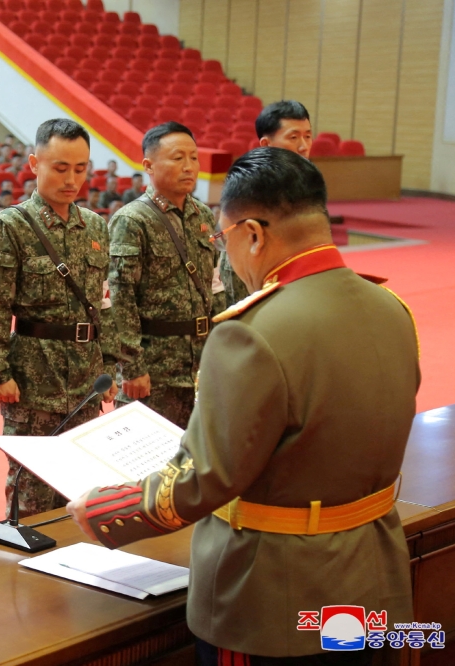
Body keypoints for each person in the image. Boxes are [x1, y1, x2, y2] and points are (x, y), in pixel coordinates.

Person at [68, 147, 418, 665]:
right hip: (370, 579)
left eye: (223, 239)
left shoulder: (251, 334)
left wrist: (103, 510)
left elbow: (207, 477)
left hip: (274, 592)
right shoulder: (392, 309)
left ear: (252, 234)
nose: (224, 255)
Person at [0, 118, 119, 519]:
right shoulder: (12, 225)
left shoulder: (95, 226)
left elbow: (102, 304)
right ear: (34, 163)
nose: (72, 179)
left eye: (80, 168)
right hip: (33, 379)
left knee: (82, 490)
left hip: (86, 380)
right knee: (33, 494)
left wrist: (109, 367)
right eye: (60, 167)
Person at [107, 122, 218, 429]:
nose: (189, 167)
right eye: (177, 158)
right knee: (148, 468)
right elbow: (120, 299)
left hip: (199, 366)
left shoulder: (203, 216)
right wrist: (132, 366)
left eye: (193, 158)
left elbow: (215, 286)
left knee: (195, 465)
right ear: (149, 165)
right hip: (154, 369)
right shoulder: (132, 220)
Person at [220, 100, 316, 308]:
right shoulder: (248, 183)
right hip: (252, 272)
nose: (303, 146)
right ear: (266, 144)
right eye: (293, 137)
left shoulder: (308, 181)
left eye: (308, 136)